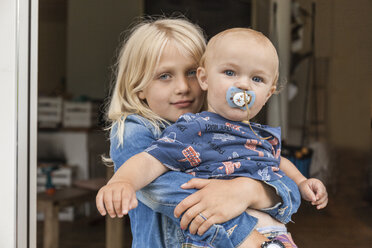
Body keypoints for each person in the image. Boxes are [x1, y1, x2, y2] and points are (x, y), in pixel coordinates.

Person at [96, 20, 327, 248]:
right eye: (165, 76)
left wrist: (270, 187)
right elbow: (158, 179)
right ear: (138, 85)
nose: (183, 87)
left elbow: (279, 174)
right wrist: (123, 181)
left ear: (204, 77)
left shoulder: (234, 128)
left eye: (190, 73)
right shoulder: (141, 129)